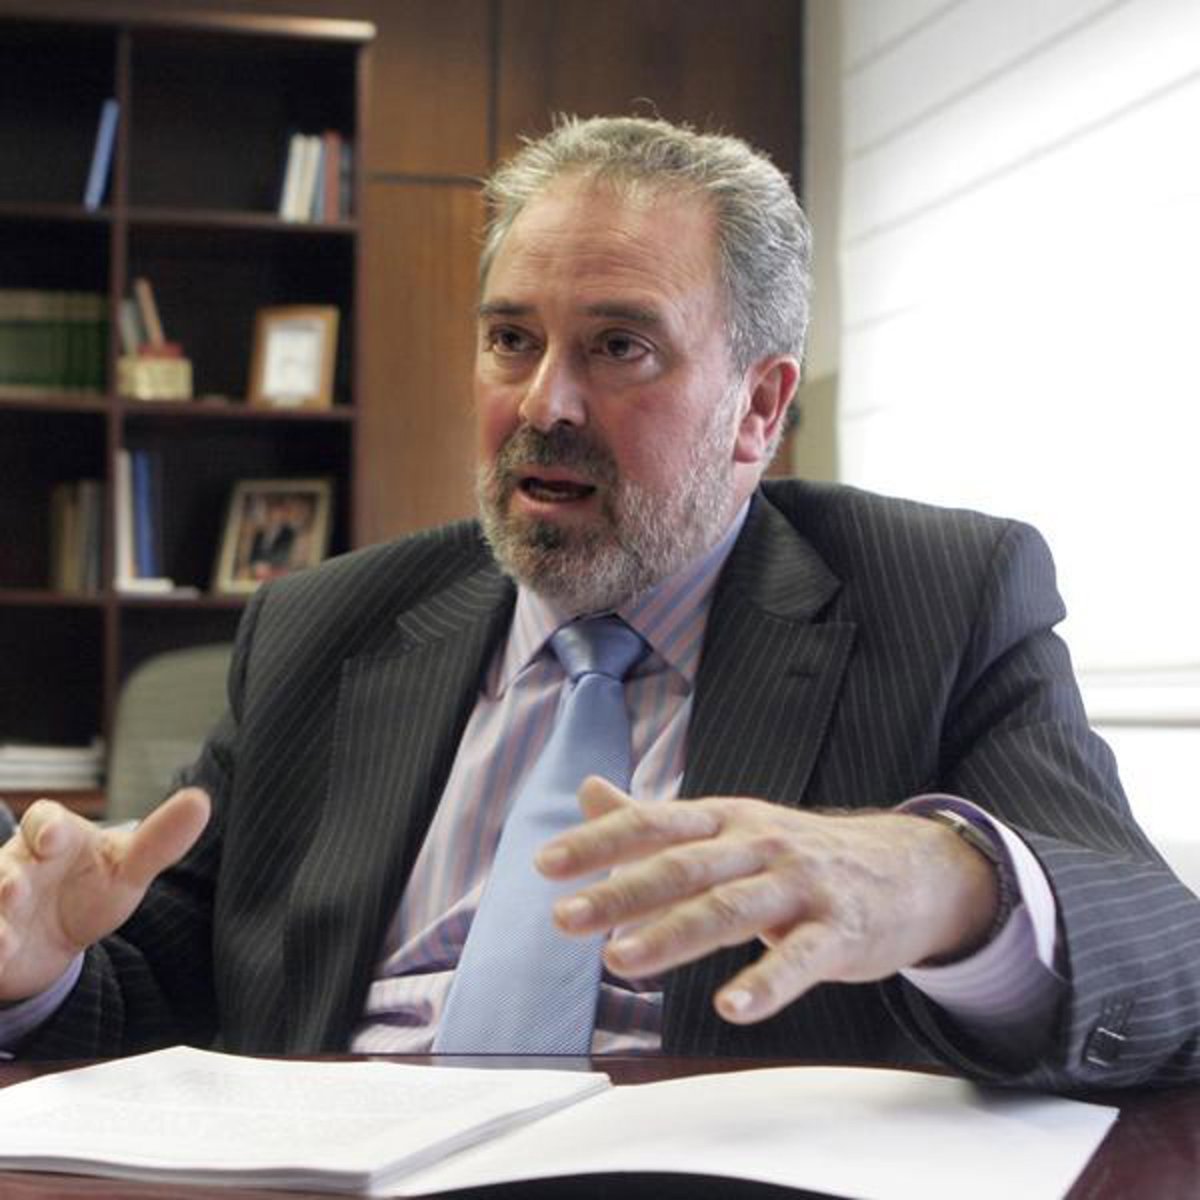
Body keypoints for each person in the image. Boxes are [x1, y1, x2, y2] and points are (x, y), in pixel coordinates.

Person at [1, 116, 1197, 1091]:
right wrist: (37, 963)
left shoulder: (940, 598)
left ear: (759, 407)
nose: (544, 404)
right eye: (511, 339)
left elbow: (1164, 967)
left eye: (620, 347)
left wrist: (949, 882)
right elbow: (155, 997)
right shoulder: (324, 627)